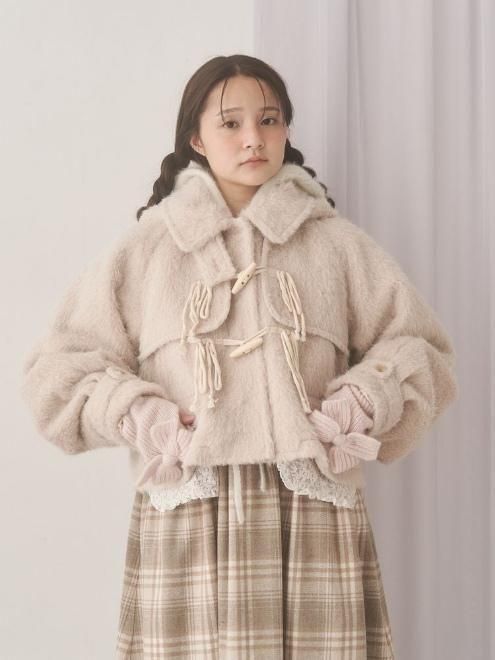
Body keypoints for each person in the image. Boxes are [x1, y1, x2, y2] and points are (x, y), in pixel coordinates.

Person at [20, 54, 458, 659]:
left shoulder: (335, 243)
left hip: (311, 512)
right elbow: (57, 372)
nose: (254, 138)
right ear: (196, 138)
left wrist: (362, 400)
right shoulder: (148, 250)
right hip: (190, 518)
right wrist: (141, 416)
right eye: (231, 123)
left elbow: (421, 349)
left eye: (269, 120)